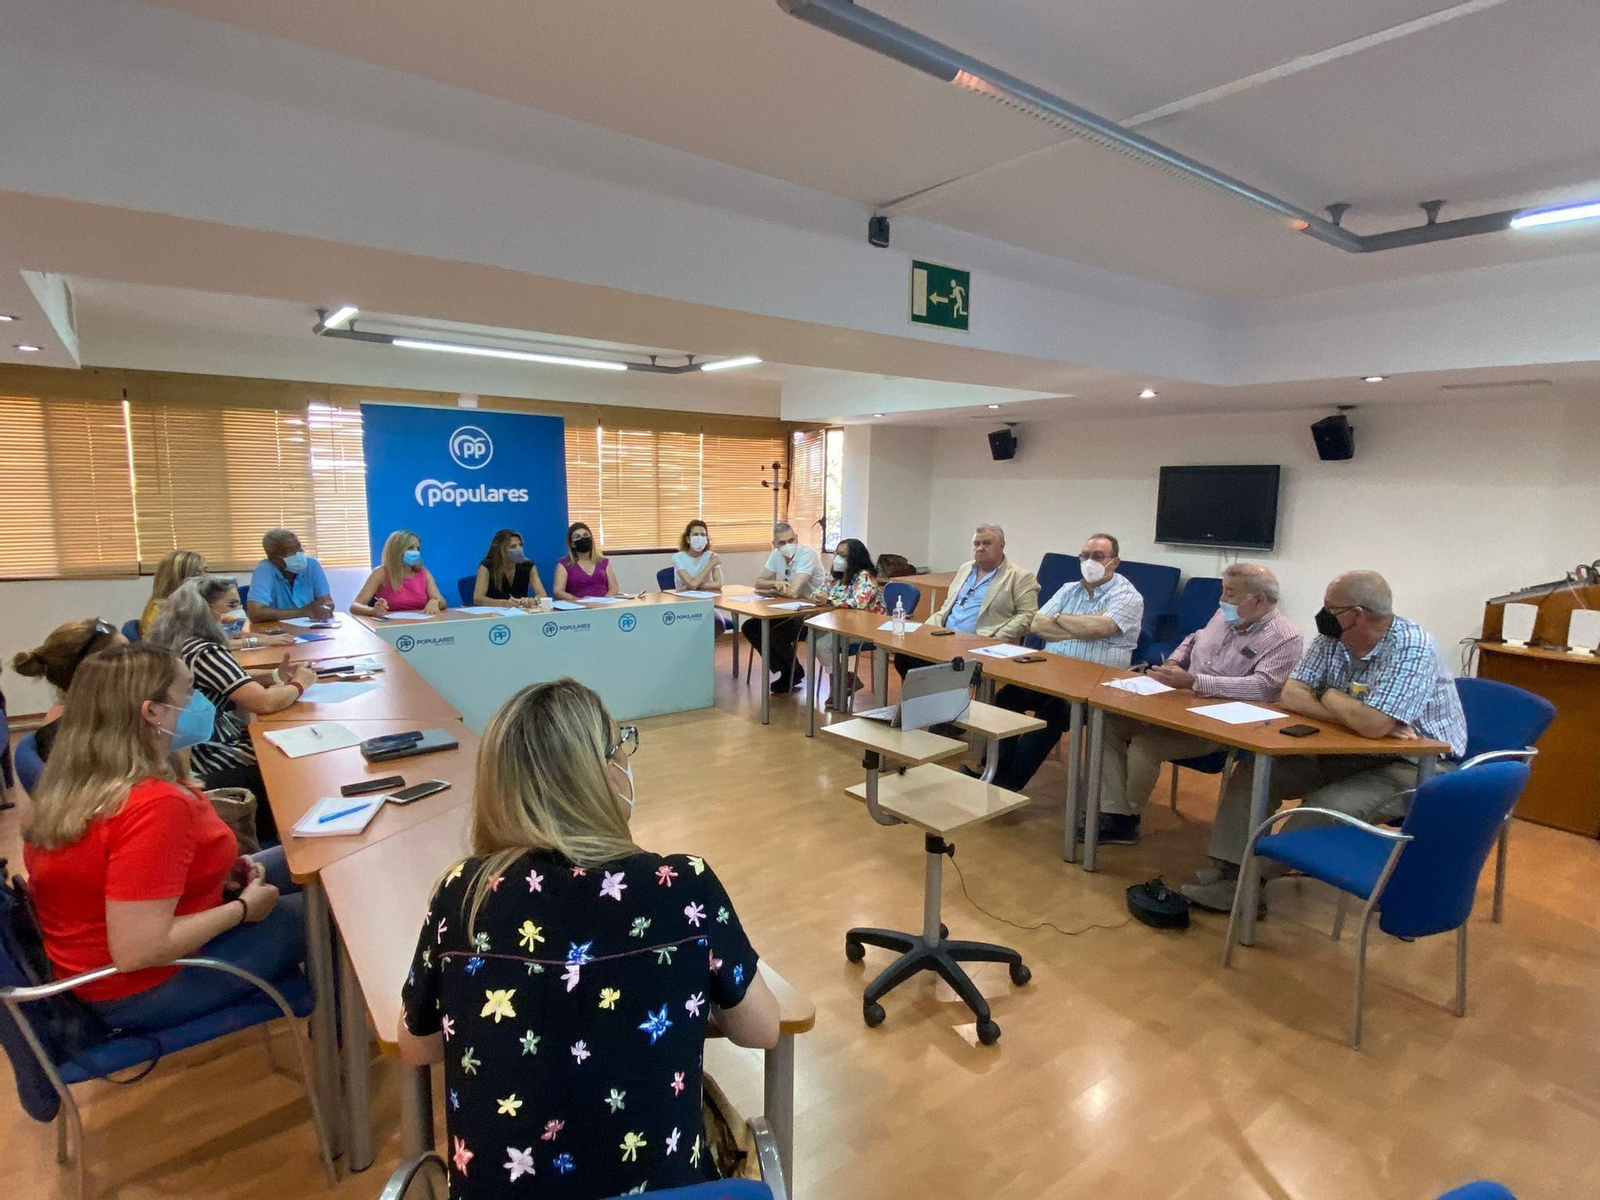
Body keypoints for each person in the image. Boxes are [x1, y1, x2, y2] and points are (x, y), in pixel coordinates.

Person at [398, 678, 779, 1199]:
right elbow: (763, 1029)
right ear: (599, 771)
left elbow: (417, 1046)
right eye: (619, 747)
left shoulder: (462, 895)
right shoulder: (683, 885)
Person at [22, 643, 304, 1031]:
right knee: (329, 912)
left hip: (95, 968)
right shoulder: (153, 804)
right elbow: (139, 950)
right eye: (189, 691)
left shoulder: (76, 779)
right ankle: (348, 1052)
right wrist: (242, 909)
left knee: (311, 862)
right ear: (151, 712)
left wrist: (218, 871)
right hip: (144, 986)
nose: (200, 701)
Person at [1179, 570, 1468, 912]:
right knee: (1256, 770)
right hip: (1343, 746)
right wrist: (1345, 706)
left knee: (1327, 803)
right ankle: (1230, 868)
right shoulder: (1334, 636)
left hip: (1413, 763)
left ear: (1357, 614)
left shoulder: (1412, 647)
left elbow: (1373, 725)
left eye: (1331, 607)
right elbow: (1290, 693)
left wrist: (1335, 701)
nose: (1323, 612)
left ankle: (1248, 885)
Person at [1089, 564, 1303, 847]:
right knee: (1105, 721)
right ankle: (1116, 813)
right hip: (1178, 702)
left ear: (1259, 599)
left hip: (1222, 723)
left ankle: (1124, 820)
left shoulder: (1286, 636)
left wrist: (1195, 681)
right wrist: (1174, 662)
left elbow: (1265, 687)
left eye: (1230, 593)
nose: (1222, 600)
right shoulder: (1225, 614)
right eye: (1223, 592)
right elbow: (1194, 638)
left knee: (1144, 746)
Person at [149, 577, 316, 837]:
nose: (240, 612)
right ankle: (291, 835)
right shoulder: (205, 650)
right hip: (207, 752)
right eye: (232, 604)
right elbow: (263, 703)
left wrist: (273, 677)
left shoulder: (182, 641)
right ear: (206, 610)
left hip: (182, 751)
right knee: (288, 764)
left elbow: (225, 681)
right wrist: (299, 684)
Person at [992, 533, 1144, 792]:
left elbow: (1103, 626)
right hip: (1052, 675)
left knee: (1051, 714)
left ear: (1115, 562)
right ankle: (992, 769)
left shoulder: (1129, 596)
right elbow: (1037, 623)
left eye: (1098, 556)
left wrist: (1060, 619)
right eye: (1084, 556)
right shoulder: (1068, 589)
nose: (1089, 561)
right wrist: (1081, 625)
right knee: (1006, 698)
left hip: (1096, 686)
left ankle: (1008, 784)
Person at [893, 523, 1039, 679]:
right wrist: (923, 630)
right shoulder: (965, 569)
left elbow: (1027, 616)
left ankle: (946, 696)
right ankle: (929, 699)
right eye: (977, 544)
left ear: (1002, 545)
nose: (980, 548)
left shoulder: (1020, 577)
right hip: (944, 636)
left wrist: (995, 638)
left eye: (986, 543)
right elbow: (947, 606)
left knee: (941, 671)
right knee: (905, 658)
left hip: (981, 643)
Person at [10, 618, 128, 764]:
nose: (139, 660)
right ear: (90, 674)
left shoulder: (96, 716)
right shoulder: (81, 741)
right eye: (125, 655)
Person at [745, 522, 827, 693]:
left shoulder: (807, 555)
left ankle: (792, 672)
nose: (788, 545)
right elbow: (758, 582)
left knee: (776, 631)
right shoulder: (776, 555)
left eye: (791, 540)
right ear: (775, 544)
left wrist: (776, 588)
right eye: (782, 543)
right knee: (750, 626)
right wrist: (776, 583)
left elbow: (794, 592)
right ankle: (789, 669)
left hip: (815, 611)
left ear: (796, 538)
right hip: (790, 610)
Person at [808, 538, 886, 695]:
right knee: (813, 637)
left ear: (854, 558)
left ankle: (839, 684)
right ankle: (843, 680)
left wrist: (829, 600)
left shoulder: (865, 576)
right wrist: (819, 596)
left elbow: (858, 603)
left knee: (823, 645)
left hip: (864, 628)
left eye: (843, 556)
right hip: (838, 624)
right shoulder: (835, 576)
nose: (838, 559)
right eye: (837, 554)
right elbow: (819, 591)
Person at [352, 530, 448, 617]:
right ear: (397, 550)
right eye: (410, 548)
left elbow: (442, 602)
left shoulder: (424, 573)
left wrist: (435, 602)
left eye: (418, 548)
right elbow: (355, 606)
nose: (415, 552)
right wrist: (373, 611)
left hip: (421, 626)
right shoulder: (380, 573)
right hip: (391, 627)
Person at [248, 528, 334, 624]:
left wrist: (325, 608)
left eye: (299, 548)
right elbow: (255, 613)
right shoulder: (264, 570)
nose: (299, 554)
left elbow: (327, 602)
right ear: (274, 559)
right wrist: (302, 612)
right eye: (291, 552)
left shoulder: (312, 565)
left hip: (311, 628)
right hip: (276, 630)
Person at [474, 528, 548, 608]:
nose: (519, 549)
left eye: (520, 545)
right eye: (513, 547)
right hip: (492, 613)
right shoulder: (487, 566)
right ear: (501, 550)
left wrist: (533, 601)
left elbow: (542, 595)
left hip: (520, 613)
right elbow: (478, 599)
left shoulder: (528, 565)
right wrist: (504, 603)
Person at [141, 549, 207, 635]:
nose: (205, 578)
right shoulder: (159, 611)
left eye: (206, 571)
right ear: (178, 578)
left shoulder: (188, 604)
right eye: (197, 574)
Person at [554, 522, 619, 601]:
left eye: (585, 535)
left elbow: (614, 588)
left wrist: (602, 602)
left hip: (604, 606)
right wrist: (579, 601)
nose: (582, 538)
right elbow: (558, 591)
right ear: (572, 544)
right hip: (578, 607)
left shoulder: (604, 562)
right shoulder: (564, 564)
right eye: (577, 537)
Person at [671, 520, 723, 591]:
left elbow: (718, 584)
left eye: (702, 535)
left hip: (705, 597)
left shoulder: (712, 556)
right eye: (695, 534)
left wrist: (694, 584)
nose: (699, 538)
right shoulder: (678, 557)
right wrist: (711, 564)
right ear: (688, 539)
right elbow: (692, 585)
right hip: (683, 598)